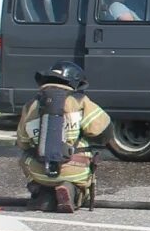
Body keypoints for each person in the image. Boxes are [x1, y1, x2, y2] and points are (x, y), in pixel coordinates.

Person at [16, 60, 115, 212]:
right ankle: (72, 191)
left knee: (25, 156)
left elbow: (22, 142)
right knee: (80, 176)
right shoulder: (80, 101)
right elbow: (103, 131)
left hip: (38, 170)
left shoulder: (31, 106)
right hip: (75, 168)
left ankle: (43, 193)